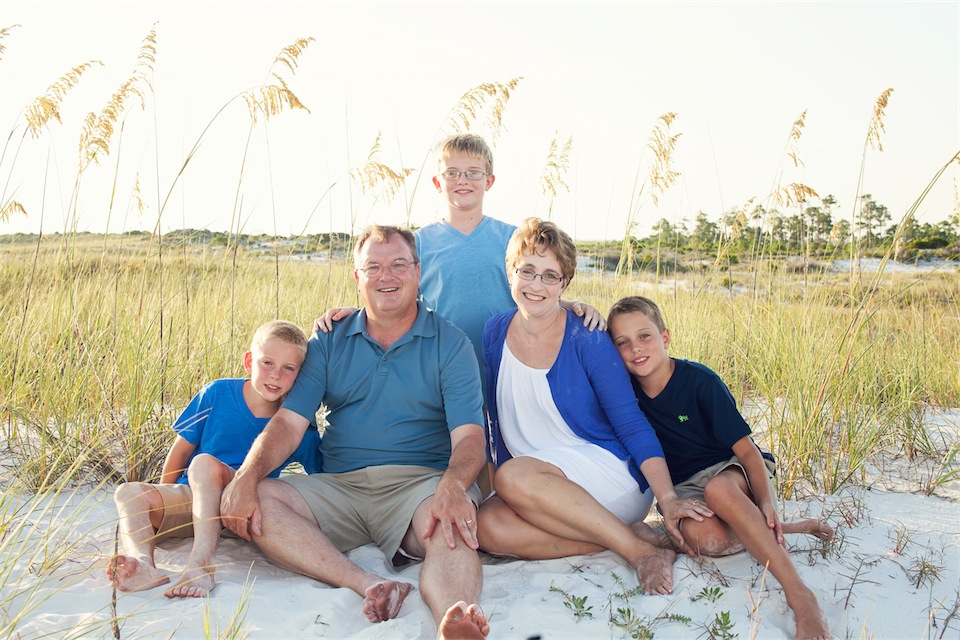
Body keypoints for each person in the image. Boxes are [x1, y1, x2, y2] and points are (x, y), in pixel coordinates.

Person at [219, 225, 490, 639]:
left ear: (418, 271)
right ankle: (366, 583)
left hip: (419, 487)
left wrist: (453, 486)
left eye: (399, 264)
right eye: (374, 267)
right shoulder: (329, 340)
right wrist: (247, 476)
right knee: (263, 498)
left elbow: (470, 436)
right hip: (340, 486)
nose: (387, 276)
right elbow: (289, 423)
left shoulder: (450, 344)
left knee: (452, 526)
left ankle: (454, 618)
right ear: (357, 278)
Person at [475, 217, 712, 595]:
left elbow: (631, 422)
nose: (536, 285)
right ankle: (625, 539)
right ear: (510, 274)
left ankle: (638, 552)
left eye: (550, 276)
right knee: (487, 526)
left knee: (512, 477)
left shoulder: (587, 336)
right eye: (528, 271)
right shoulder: (494, 331)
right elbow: (493, 420)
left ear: (565, 283)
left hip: (606, 472)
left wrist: (667, 499)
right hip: (540, 485)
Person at [607, 295, 832, 640]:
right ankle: (776, 528)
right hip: (686, 488)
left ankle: (801, 596)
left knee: (719, 489)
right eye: (623, 343)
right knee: (707, 539)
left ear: (665, 337)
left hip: (731, 471)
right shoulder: (627, 396)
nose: (636, 348)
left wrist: (766, 501)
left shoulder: (699, 381)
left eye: (645, 336)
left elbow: (748, 452)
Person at [106, 320, 321, 598]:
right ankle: (144, 564)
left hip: (241, 507)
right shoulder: (217, 393)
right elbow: (181, 451)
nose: (275, 375)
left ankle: (201, 565)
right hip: (195, 498)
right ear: (248, 361)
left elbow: (320, 475)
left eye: (288, 368)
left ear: (299, 375)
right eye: (267, 363)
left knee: (204, 462)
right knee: (129, 492)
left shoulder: (295, 422)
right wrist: (161, 494)